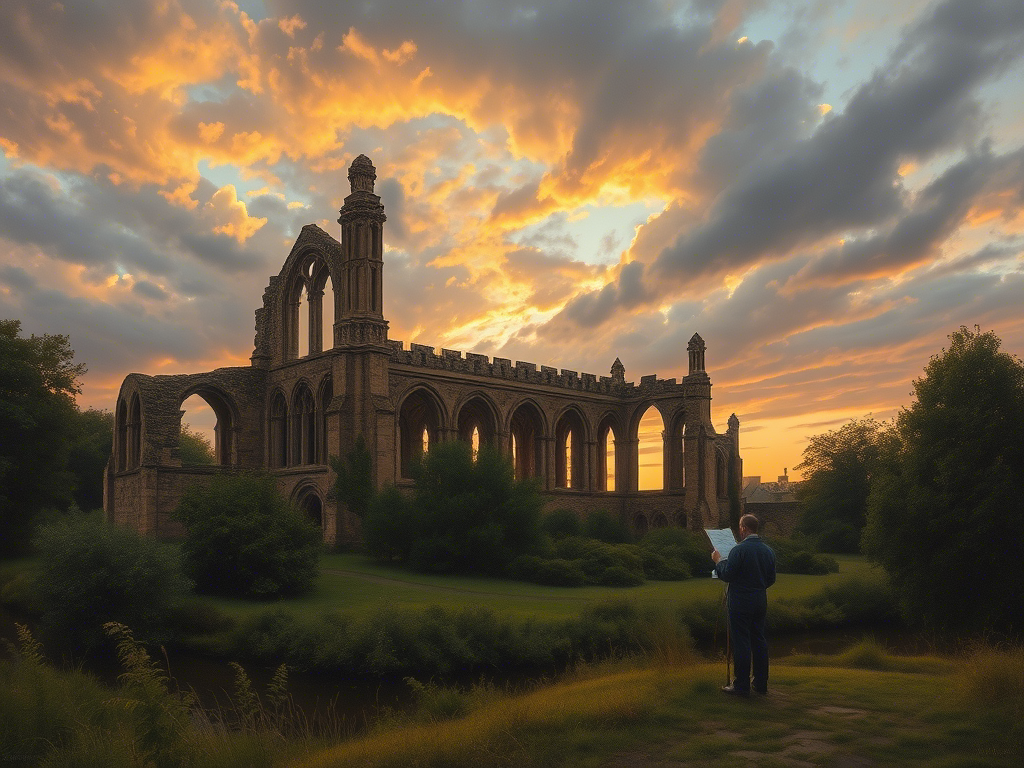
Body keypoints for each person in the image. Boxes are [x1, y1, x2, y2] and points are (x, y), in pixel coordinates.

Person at [711, 514, 776, 697]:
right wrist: (757, 587)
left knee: (741, 642)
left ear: (744, 529)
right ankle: (761, 684)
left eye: (740, 527)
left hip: (740, 601)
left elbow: (728, 575)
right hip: (760, 600)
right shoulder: (768, 551)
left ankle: (741, 685)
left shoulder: (738, 550)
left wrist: (718, 561)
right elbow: (771, 579)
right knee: (759, 641)